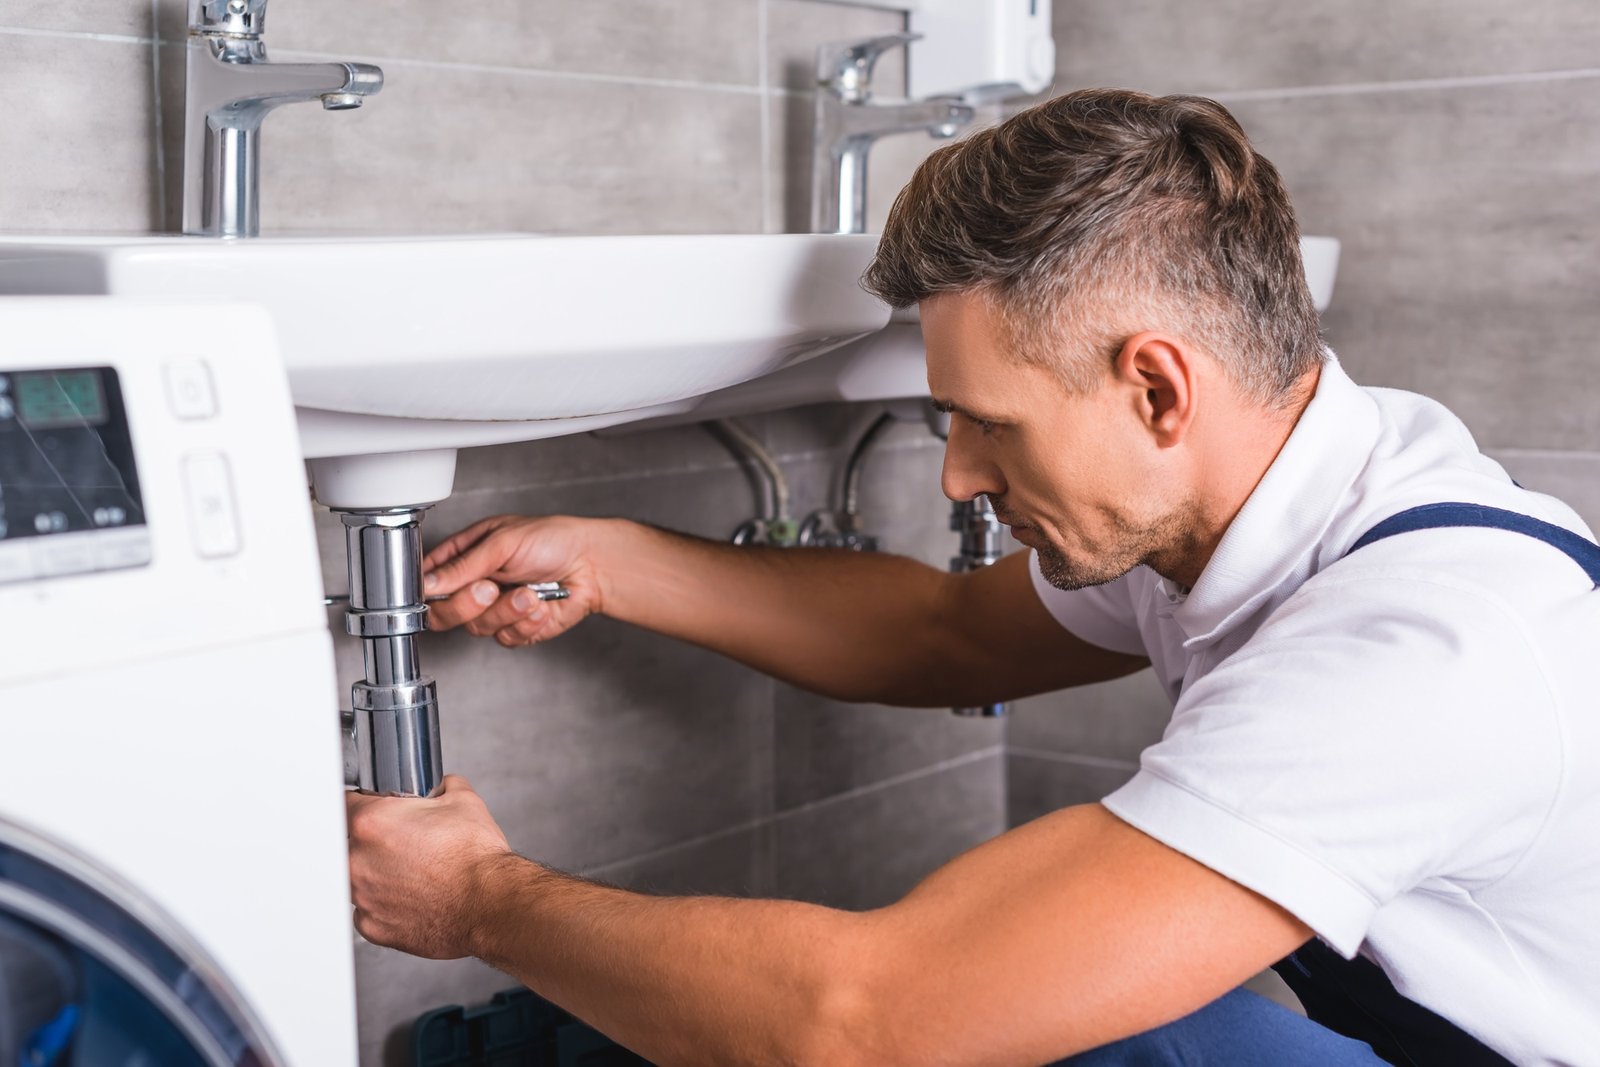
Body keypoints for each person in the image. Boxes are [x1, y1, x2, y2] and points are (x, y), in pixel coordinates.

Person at [345, 89, 1599, 1065]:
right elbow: (944, 632)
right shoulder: (1264, 490)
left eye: (985, 422)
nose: (955, 476)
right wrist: (616, 560)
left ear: (1155, 387)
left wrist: (478, 900)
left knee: (1078, 1020)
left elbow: (867, 1024)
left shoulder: (1422, 654)